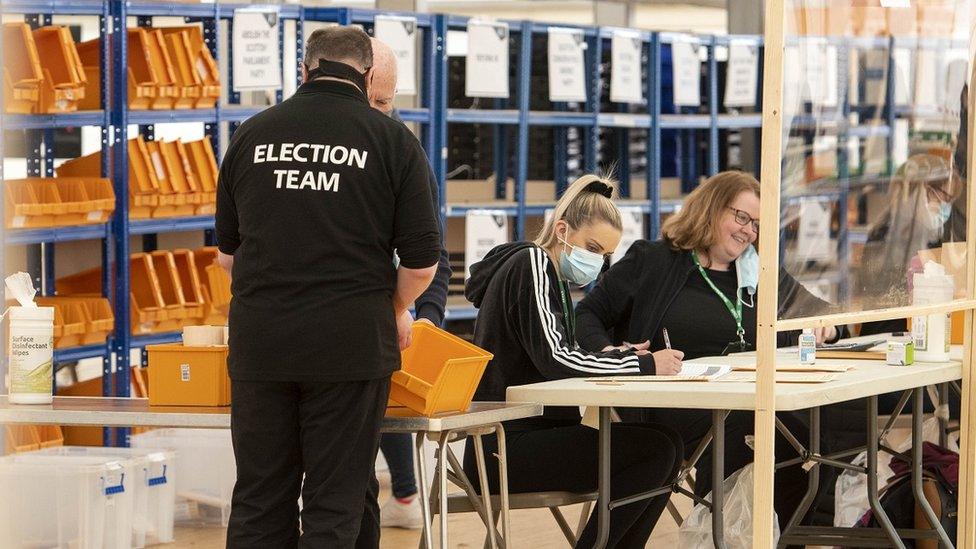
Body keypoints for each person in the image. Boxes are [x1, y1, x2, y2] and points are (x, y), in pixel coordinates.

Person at [215, 26, 441, 548]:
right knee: (334, 502)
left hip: (261, 344)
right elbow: (423, 264)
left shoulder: (250, 134)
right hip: (350, 346)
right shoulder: (392, 142)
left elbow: (228, 255)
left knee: (258, 499)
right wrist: (393, 305)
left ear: (306, 69)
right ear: (366, 77)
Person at [575, 170, 843, 528]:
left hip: (745, 394)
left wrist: (828, 325)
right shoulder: (654, 260)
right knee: (747, 424)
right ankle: (719, 533)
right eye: (742, 217)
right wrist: (611, 353)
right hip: (671, 400)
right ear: (712, 208)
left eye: (757, 225)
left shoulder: (759, 272)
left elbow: (817, 310)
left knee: (818, 430)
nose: (749, 231)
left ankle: (784, 535)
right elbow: (587, 314)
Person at [462, 174, 684, 548]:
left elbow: (555, 353)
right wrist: (645, 365)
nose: (597, 262)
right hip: (502, 446)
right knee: (657, 451)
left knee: (668, 444)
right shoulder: (532, 262)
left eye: (604, 255)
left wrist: (612, 355)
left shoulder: (551, 277)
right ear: (562, 229)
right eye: (593, 248)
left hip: (529, 436)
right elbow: (556, 360)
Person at [367, 38, 453, 530]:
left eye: (387, 103)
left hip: (392, 308)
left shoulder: (404, 148)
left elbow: (431, 251)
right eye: (372, 101)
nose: (381, 113)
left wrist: (422, 316)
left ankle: (403, 491)